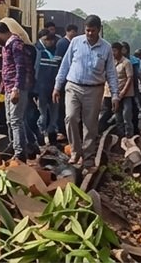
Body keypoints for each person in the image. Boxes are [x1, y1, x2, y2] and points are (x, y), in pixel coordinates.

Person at [53, 15, 118, 172]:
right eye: (87, 30)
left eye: (93, 31)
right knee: (70, 117)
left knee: (90, 125)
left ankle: (88, 157)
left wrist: (115, 95)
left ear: (99, 30)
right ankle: (75, 152)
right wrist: (57, 86)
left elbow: (111, 73)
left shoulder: (106, 48)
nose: (89, 34)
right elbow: (65, 65)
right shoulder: (76, 42)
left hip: (94, 89)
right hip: (73, 86)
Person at [0, 19, 36, 161]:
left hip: (16, 88)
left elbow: (20, 67)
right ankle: (19, 146)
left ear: (1, 33)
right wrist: (3, 87)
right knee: (10, 120)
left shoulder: (16, 44)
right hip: (8, 87)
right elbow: (6, 68)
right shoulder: (6, 46)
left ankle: (19, 153)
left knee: (16, 120)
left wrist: (16, 88)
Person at [33, 31, 61, 147]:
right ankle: (41, 137)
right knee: (42, 115)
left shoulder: (57, 52)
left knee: (54, 115)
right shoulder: (37, 51)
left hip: (54, 88)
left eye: (51, 40)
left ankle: (52, 136)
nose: (49, 42)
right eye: (46, 40)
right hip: (41, 89)